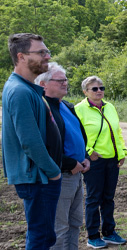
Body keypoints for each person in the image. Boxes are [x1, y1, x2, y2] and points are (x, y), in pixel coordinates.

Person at [3, 33, 61, 250]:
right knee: (41, 237)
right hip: (38, 176)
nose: (47, 56)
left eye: (47, 52)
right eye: (41, 52)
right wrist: (53, 171)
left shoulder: (27, 88)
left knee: (43, 235)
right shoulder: (19, 91)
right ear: (22, 56)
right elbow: (29, 141)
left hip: (41, 176)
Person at [37, 62, 90, 249]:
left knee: (75, 223)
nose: (65, 83)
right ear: (43, 83)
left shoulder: (67, 105)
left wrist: (85, 157)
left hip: (76, 174)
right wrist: (68, 163)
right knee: (59, 228)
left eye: (66, 79)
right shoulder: (42, 108)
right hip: (60, 175)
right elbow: (44, 146)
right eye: (60, 80)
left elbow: (79, 135)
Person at [76, 76, 127, 247]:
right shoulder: (79, 109)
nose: (99, 91)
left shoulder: (110, 107)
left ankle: (109, 232)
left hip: (112, 160)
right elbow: (76, 135)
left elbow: (117, 131)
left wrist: (121, 152)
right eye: (94, 89)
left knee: (109, 198)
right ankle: (93, 236)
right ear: (85, 92)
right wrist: (88, 152)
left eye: (101, 88)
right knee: (93, 198)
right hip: (94, 161)